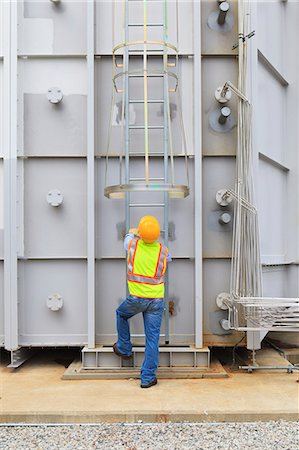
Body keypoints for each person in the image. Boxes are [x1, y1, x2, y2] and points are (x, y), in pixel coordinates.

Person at [113, 215, 171, 388]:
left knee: (121, 314)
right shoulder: (163, 251)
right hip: (156, 302)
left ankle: (124, 348)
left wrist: (134, 233)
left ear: (140, 233)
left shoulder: (132, 245)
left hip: (136, 299)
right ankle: (147, 378)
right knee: (152, 339)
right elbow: (169, 260)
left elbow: (127, 238)